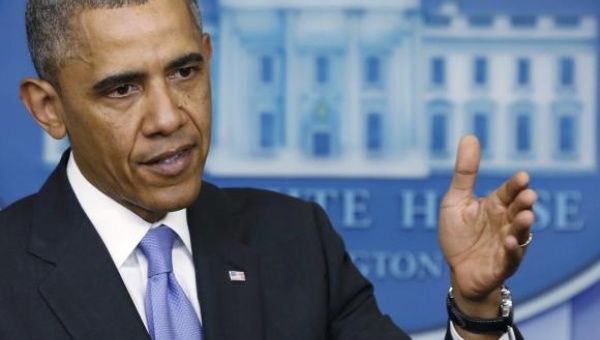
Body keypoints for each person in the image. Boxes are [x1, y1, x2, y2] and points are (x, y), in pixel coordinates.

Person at [0, 0, 536, 339]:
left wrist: (475, 308)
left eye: (185, 71)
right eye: (123, 88)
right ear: (48, 108)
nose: (169, 118)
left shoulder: (297, 240)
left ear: (209, 57)